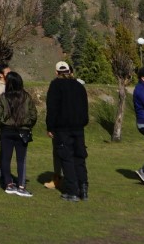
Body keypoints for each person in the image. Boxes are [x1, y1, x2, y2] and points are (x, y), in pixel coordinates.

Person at [45, 60, 90, 202]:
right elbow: (85, 108)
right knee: (79, 157)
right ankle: (84, 189)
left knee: (67, 158)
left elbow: (52, 108)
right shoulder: (79, 86)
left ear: (57, 72)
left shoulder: (55, 86)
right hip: (78, 128)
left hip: (62, 128)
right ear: (70, 72)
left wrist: (50, 127)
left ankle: (72, 191)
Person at [0, 70, 37, 197]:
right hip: (22, 131)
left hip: (7, 130)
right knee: (21, 160)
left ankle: (8, 183)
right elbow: (33, 115)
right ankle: (21, 185)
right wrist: (28, 125)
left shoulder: (3, 97)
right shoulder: (26, 97)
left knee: (5, 158)